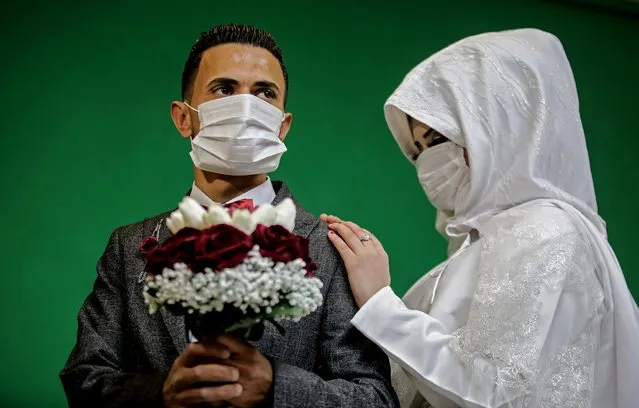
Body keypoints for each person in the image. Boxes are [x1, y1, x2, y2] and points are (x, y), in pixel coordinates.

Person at [60, 23, 399, 408]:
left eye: (264, 93)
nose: (246, 106)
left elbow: (375, 398)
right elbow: (85, 378)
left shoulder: (333, 250)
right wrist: (161, 393)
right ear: (183, 118)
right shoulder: (127, 247)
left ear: (282, 126)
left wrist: (276, 386)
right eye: (224, 89)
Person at [322, 28, 639, 408]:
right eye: (417, 151)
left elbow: (497, 391)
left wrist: (379, 303)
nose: (427, 164)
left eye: (437, 140)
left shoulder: (544, 231)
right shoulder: (485, 243)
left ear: (499, 125)